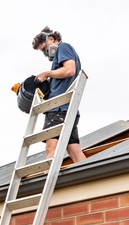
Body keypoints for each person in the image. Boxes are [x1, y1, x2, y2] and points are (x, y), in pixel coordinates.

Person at [32, 26, 86, 163]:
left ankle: (46, 179)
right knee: (74, 150)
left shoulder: (63, 48)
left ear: (51, 39)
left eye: (44, 48)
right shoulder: (60, 58)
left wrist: (47, 73)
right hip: (67, 109)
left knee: (51, 148)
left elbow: (69, 70)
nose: (45, 53)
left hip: (58, 108)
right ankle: (93, 181)